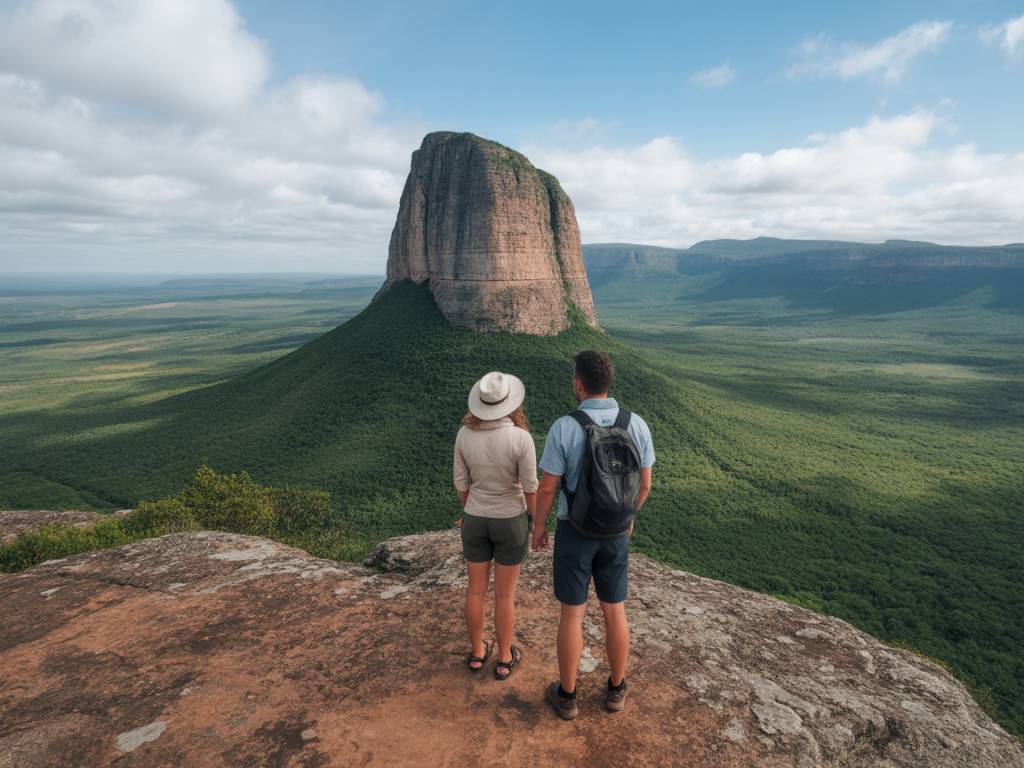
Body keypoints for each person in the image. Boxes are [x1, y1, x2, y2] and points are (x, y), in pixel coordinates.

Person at [532, 350, 655, 719]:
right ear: (608, 382)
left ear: (578, 383)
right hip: (617, 532)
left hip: (575, 531)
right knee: (614, 610)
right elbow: (645, 484)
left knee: (572, 615)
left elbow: (547, 488)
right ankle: (616, 689)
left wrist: (539, 526)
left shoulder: (564, 427)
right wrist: (628, 515)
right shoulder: (637, 424)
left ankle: (567, 696)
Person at [454, 370, 538, 680]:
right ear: (511, 404)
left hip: (475, 518)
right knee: (505, 595)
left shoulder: (464, 435)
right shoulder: (521, 438)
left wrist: (471, 510)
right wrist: (533, 521)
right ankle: (504, 657)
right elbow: (531, 487)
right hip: (510, 520)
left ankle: (477, 652)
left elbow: (461, 484)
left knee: (475, 591)